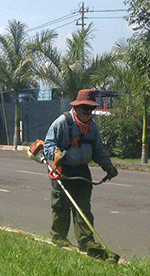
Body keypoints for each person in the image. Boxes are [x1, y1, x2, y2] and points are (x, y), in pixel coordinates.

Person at [43, 89, 119, 261]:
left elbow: (97, 150)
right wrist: (55, 154)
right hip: (63, 171)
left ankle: (87, 242)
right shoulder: (63, 122)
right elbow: (48, 144)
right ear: (76, 107)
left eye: (90, 108)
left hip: (83, 171)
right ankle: (59, 238)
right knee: (61, 206)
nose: (87, 111)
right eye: (84, 107)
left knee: (83, 208)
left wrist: (107, 166)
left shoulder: (93, 127)